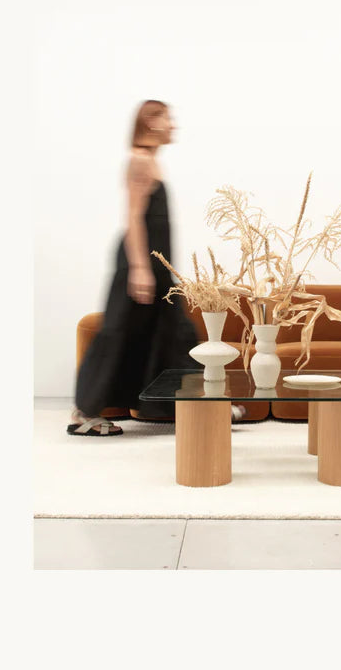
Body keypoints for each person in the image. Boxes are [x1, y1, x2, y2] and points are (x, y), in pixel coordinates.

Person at [68, 100, 245, 436]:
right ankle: (84, 413)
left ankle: (200, 407)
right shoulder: (139, 160)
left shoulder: (152, 162)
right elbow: (133, 218)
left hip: (157, 266)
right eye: (168, 119)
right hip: (139, 265)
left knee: (174, 335)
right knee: (118, 333)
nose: (173, 125)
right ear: (150, 121)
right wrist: (139, 269)